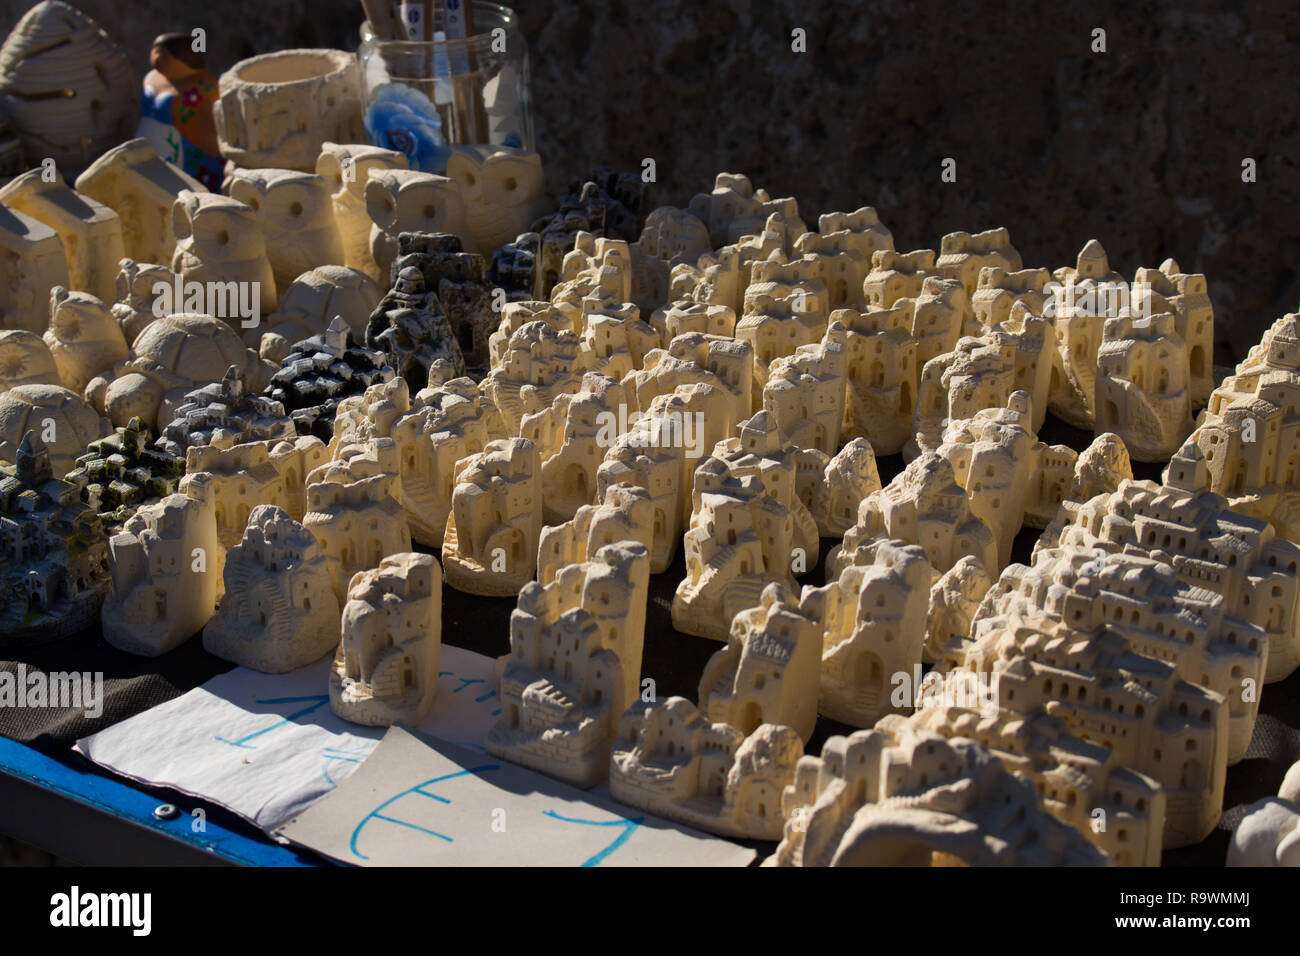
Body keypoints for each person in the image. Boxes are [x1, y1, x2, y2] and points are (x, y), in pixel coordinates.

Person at [137, 32, 224, 188]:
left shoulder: (204, 86)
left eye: (162, 53)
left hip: (183, 156)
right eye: (154, 50)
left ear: (181, 58)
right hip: (145, 152)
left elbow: (210, 131)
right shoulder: (151, 77)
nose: (155, 56)